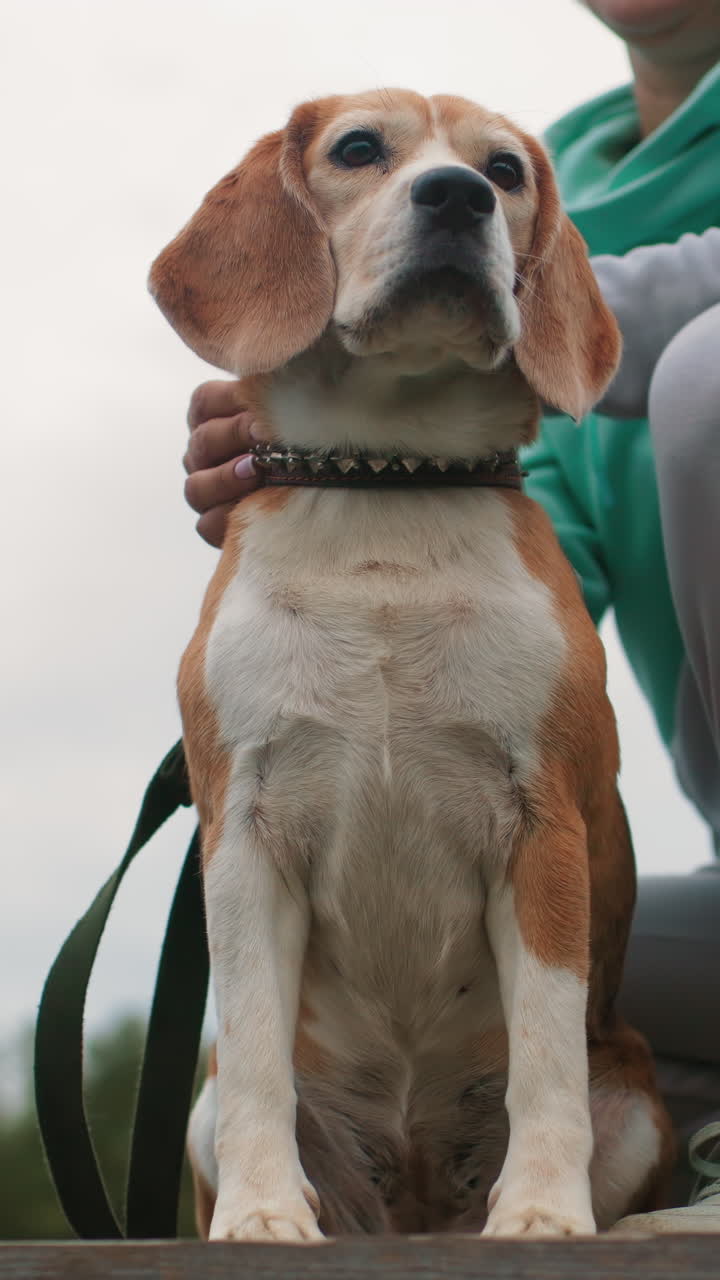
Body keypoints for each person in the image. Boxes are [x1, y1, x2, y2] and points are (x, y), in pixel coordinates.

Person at [181, 0, 720, 1231]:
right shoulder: (567, 180)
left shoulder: (538, 238)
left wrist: (505, 288)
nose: (458, 190)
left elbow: (595, 331)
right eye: (366, 158)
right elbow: (535, 577)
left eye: (496, 182)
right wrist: (334, 460)